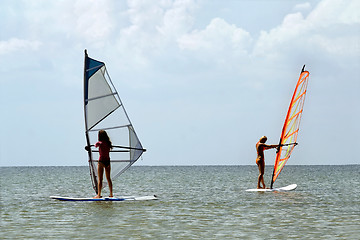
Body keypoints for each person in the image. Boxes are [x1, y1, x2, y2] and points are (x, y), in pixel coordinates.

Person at [93, 130, 113, 198]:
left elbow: (95, 145)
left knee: (100, 179)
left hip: (101, 161)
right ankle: (111, 194)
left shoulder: (99, 143)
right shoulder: (108, 143)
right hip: (107, 161)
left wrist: (93, 145)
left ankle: (99, 194)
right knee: (108, 178)